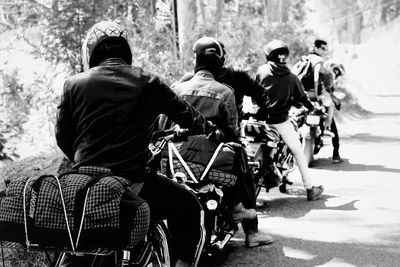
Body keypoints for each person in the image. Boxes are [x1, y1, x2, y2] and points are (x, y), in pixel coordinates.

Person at [55, 21, 214, 267]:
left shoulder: (73, 84)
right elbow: (189, 116)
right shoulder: (148, 81)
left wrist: (86, 160)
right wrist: (206, 127)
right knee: (190, 206)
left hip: (86, 184)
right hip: (135, 181)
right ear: (125, 50)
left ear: (91, 52)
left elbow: (62, 137)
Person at [163, 37, 273, 248]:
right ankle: (251, 232)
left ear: (195, 59)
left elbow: (163, 125)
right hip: (212, 160)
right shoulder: (225, 91)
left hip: (177, 158)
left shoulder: (178, 88)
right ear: (220, 60)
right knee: (243, 164)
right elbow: (231, 132)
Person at [255, 39, 324, 201]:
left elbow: (255, 93)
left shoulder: (261, 71)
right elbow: (303, 100)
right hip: (280, 122)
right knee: (298, 152)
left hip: (260, 121)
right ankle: (310, 189)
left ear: (268, 55)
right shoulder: (292, 78)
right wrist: (315, 109)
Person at [303, 39, 335, 137]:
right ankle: (327, 127)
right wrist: (317, 94)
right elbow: (316, 78)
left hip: (300, 93)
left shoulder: (305, 58)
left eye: (325, 49)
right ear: (315, 47)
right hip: (313, 93)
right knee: (330, 104)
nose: (324, 51)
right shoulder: (319, 60)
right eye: (322, 48)